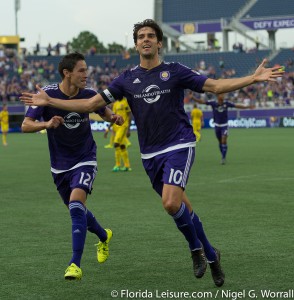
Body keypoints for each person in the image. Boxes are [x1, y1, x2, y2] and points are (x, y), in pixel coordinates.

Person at [20, 19, 284, 287]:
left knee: (170, 203)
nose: (146, 39)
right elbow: (90, 104)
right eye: (141, 36)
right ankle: (211, 252)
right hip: (150, 155)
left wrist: (252, 77)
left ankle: (195, 249)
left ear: (159, 43)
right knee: (182, 206)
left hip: (179, 144)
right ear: (136, 44)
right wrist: (50, 101)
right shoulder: (126, 79)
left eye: (151, 36)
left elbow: (214, 86)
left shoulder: (175, 71)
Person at [21, 52, 124, 280]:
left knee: (76, 203)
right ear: (67, 73)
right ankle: (103, 236)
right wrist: (47, 123)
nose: (86, 75)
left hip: (85, 158)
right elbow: (25, 125)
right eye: (81, 70)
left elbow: (104, 112)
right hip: (59, 165)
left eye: (86, 70)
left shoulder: (88, 94)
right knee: (76, 210)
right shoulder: (46, 94)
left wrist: (114, 118)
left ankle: (74, 264)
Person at [189, 92, 255, 164]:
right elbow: (202, 102)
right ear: (218, 96)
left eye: (223, 95)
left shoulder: (226, 103)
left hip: (224, 125)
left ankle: (223, 158)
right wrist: (193, 98)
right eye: (222, 94)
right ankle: (223, 155)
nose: (223, 96)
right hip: (217, 126)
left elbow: (237, 106)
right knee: (220, 142)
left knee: (224, 141)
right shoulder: (213, 103)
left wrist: (248, 107)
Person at [106, 97, 132, 172]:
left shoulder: (125, 102)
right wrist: (108, 128)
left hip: (123, 126)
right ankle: (127, 166)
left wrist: (128, 129)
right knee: (122, 145)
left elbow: (129, 115)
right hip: (116, 127)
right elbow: (113, 117)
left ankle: (117, 165)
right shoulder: (115, 104)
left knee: (116, 144)